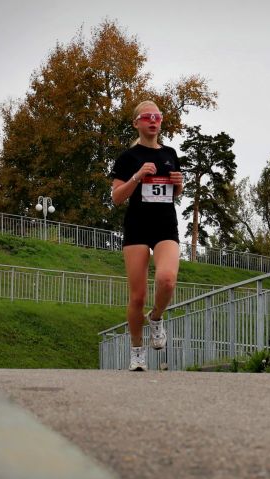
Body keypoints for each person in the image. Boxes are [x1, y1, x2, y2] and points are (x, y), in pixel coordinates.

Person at [110, 100, 184, 371]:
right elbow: (117, 198)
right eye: (147, 117)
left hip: (165, 226)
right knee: (138, 297)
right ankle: (137, 350)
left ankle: (156, 318)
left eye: (157, 116)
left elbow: (173, 193)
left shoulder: (170, 154)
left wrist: (179, 185)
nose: (153, 120)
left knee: (167, 279)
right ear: (136, 123)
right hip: (137, 228)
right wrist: (137, 177)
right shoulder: (127, 158)